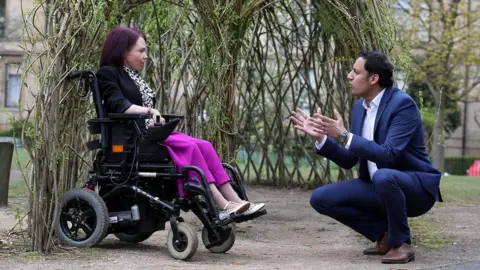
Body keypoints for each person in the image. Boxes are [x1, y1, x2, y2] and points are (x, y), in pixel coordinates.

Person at [97, 26, 265, 220]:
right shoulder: (107, 73)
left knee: (205, 145)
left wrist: (157, 119)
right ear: (124, 51)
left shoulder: (133, 76)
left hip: (151, 134)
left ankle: (237, 201)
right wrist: (149, 111)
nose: (146, 56)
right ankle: (222, 204)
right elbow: (118, 105)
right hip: (131, 139)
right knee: (191, 148)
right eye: (141, 51)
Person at [290, 50, 442, 264]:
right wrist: (322, 139)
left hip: (414, 188)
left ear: (373, 78)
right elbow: (349, 159)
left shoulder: (402, 105)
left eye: (355, 71)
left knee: (384, 176)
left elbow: (388, 155)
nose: (349, 76)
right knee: (321, 198)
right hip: (377, 185)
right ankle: (385, 236)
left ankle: (402, 244)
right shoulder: (360, 108)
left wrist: (344, 135)